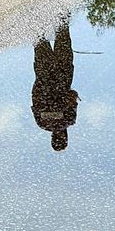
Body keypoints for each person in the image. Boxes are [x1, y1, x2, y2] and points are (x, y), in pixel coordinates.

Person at [31, 23, 79, 151]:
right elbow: (34, 98)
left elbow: (72, 95)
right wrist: (41, 80)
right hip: (44, 74)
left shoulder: (69, 119)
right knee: (38, 36)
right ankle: (35, 12)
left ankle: (60, 8)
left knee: (62, 29)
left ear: (65, 136)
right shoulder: (42, 123)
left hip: (63, 71)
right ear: (52, 137)